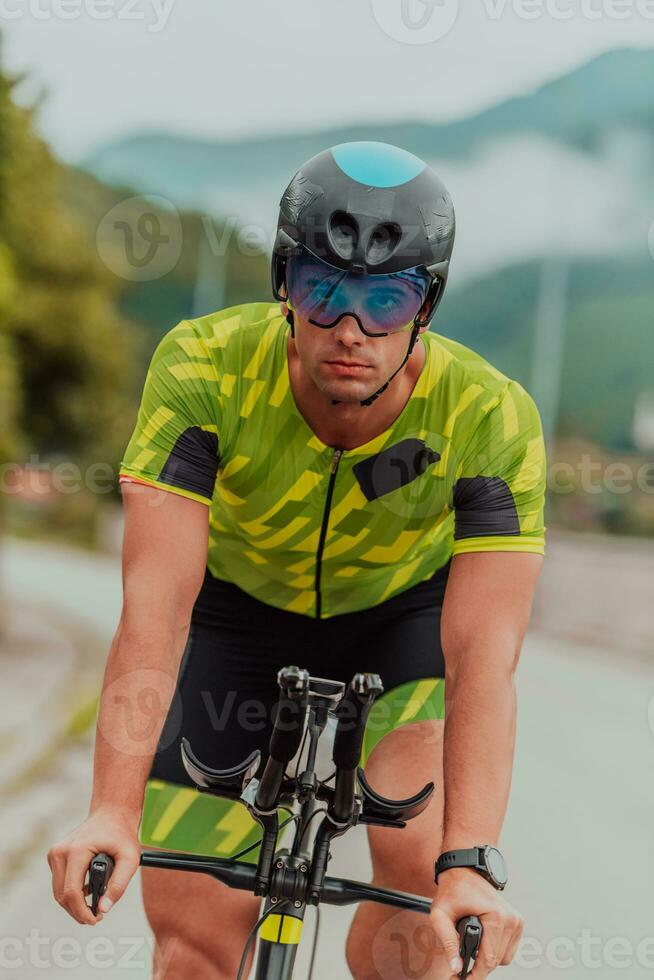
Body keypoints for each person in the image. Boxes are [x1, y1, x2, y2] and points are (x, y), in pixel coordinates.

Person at [48, 141, 546, 979]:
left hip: (400, 627)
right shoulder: (205, 366)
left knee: (421, 903)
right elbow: (158, 605)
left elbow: (483, 661)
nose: (350, 330)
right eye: (323, 291)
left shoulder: (489, 415)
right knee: (194, 945)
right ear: (285, 282)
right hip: (233, 619)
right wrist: (110, 808)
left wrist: (470, 863)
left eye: (385, 300)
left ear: (427, 303)